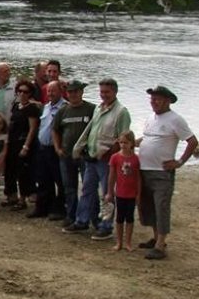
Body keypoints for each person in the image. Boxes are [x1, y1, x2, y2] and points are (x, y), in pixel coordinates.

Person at [136, 85, 198, 260]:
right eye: (152, 99)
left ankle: (160, 245)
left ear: (168, 100)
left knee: (161, 206)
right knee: (148, 207)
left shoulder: (176, 119)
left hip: (162, 172)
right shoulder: (150, 118)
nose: (153, 102)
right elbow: (148, 138)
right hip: (144, 169)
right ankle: (156, 238)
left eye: (157, 99)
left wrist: (179, 162)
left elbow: (192, 141)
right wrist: (133, 142)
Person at [66, 78, 132, 240]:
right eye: (101, 92)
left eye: (107, 92)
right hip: (92, 158)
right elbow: (91, 131)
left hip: (107, 160)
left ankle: (106, 226)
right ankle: (82, 221)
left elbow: (123, 138)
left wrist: (111, 155)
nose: (103, 95)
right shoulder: (99, 108)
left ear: (115, 92)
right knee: (87, 189)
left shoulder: (121, 112)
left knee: (107, 193)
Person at [51, 80, 94, 226]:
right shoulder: (63, 111)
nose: (73, 94)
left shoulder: (91, 109)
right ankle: (71, 215)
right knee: (69, 188)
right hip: (66, 155)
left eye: (76, 91)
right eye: (70, 92)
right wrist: (57, 148)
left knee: (89, 188)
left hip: (85, 156)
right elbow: (55, 130)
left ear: (82, 92)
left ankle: (90, 218)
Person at [29, 80, 67, 219]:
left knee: (60, 180)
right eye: (49, 91)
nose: (50, 93)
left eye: (53, 91)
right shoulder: (46, 106)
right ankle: (42, 207)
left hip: (55, 149)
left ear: (60, 92)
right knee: (43, 179)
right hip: (42, 147)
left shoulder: (65, 108)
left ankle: (59, 209)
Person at [3, 80, 40, 210]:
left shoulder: (32, 108)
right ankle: (11, 196)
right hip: (12, 141)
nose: (22, 94)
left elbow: (32, 129)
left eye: (25, 92)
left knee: (22, 172)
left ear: (30, 93)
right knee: (10, 169)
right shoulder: (16, 106)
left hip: (23, 142)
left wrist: (26, 146)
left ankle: (23, 199)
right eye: (20, 91)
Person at [105, 131, 141, 253]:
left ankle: (128, 242)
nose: (123, 145)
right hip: (120, 193)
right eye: (121, 142)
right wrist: (110, 192)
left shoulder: (136, 159)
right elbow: (111, 176)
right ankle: (119, 242)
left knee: (130, 218)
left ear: (132, 143)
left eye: (125, 142)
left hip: (131, 194)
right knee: (119, 218)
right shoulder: (115, 157)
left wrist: (139, 194)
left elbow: (138, 178)